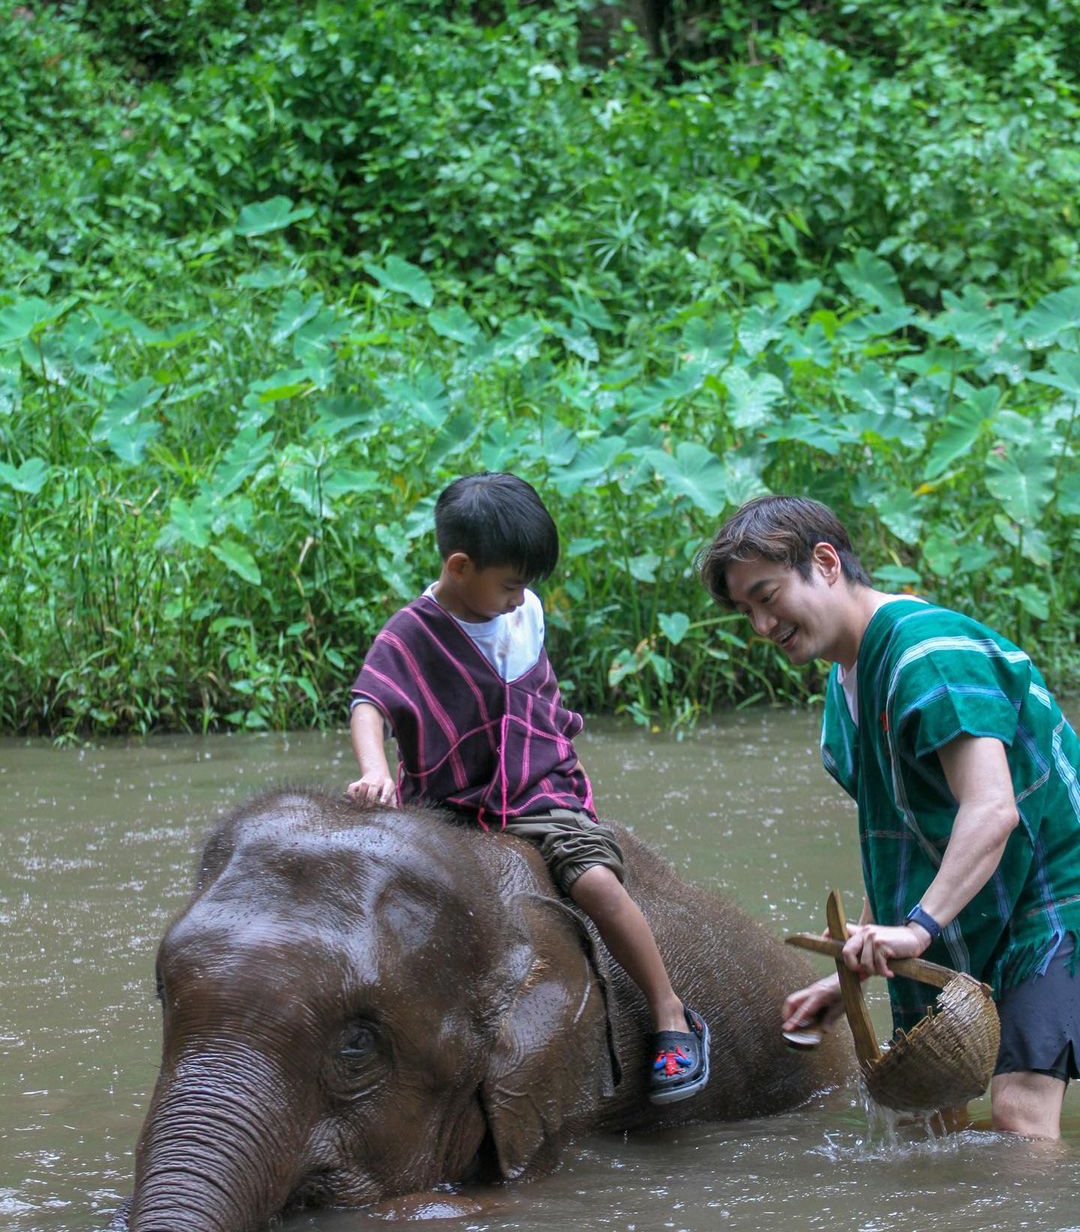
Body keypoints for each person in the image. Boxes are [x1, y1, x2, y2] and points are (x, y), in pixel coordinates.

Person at [699, 493, 1080, 1139]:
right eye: (747, 612)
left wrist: (919, 930)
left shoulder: (926, 655)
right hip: (988, 897)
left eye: (767, 596)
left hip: (1056, 894)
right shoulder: (844, 692)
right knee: (924, 1121)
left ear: (824, 562)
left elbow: (991, 811)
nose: (762, 626)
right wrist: (846, 978)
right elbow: (906, 847)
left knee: (1017, 1114)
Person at [347, 471, 709, 1104]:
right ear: (459, 567)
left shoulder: (524, 613)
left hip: (538, 791)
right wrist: (376, 770)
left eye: (525, 585)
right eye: (510, 583)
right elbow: (369, 702)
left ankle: (670, 1012)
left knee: (596, 880)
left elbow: (534, 700)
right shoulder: (411, 633)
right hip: (449, 802)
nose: (520, 598)